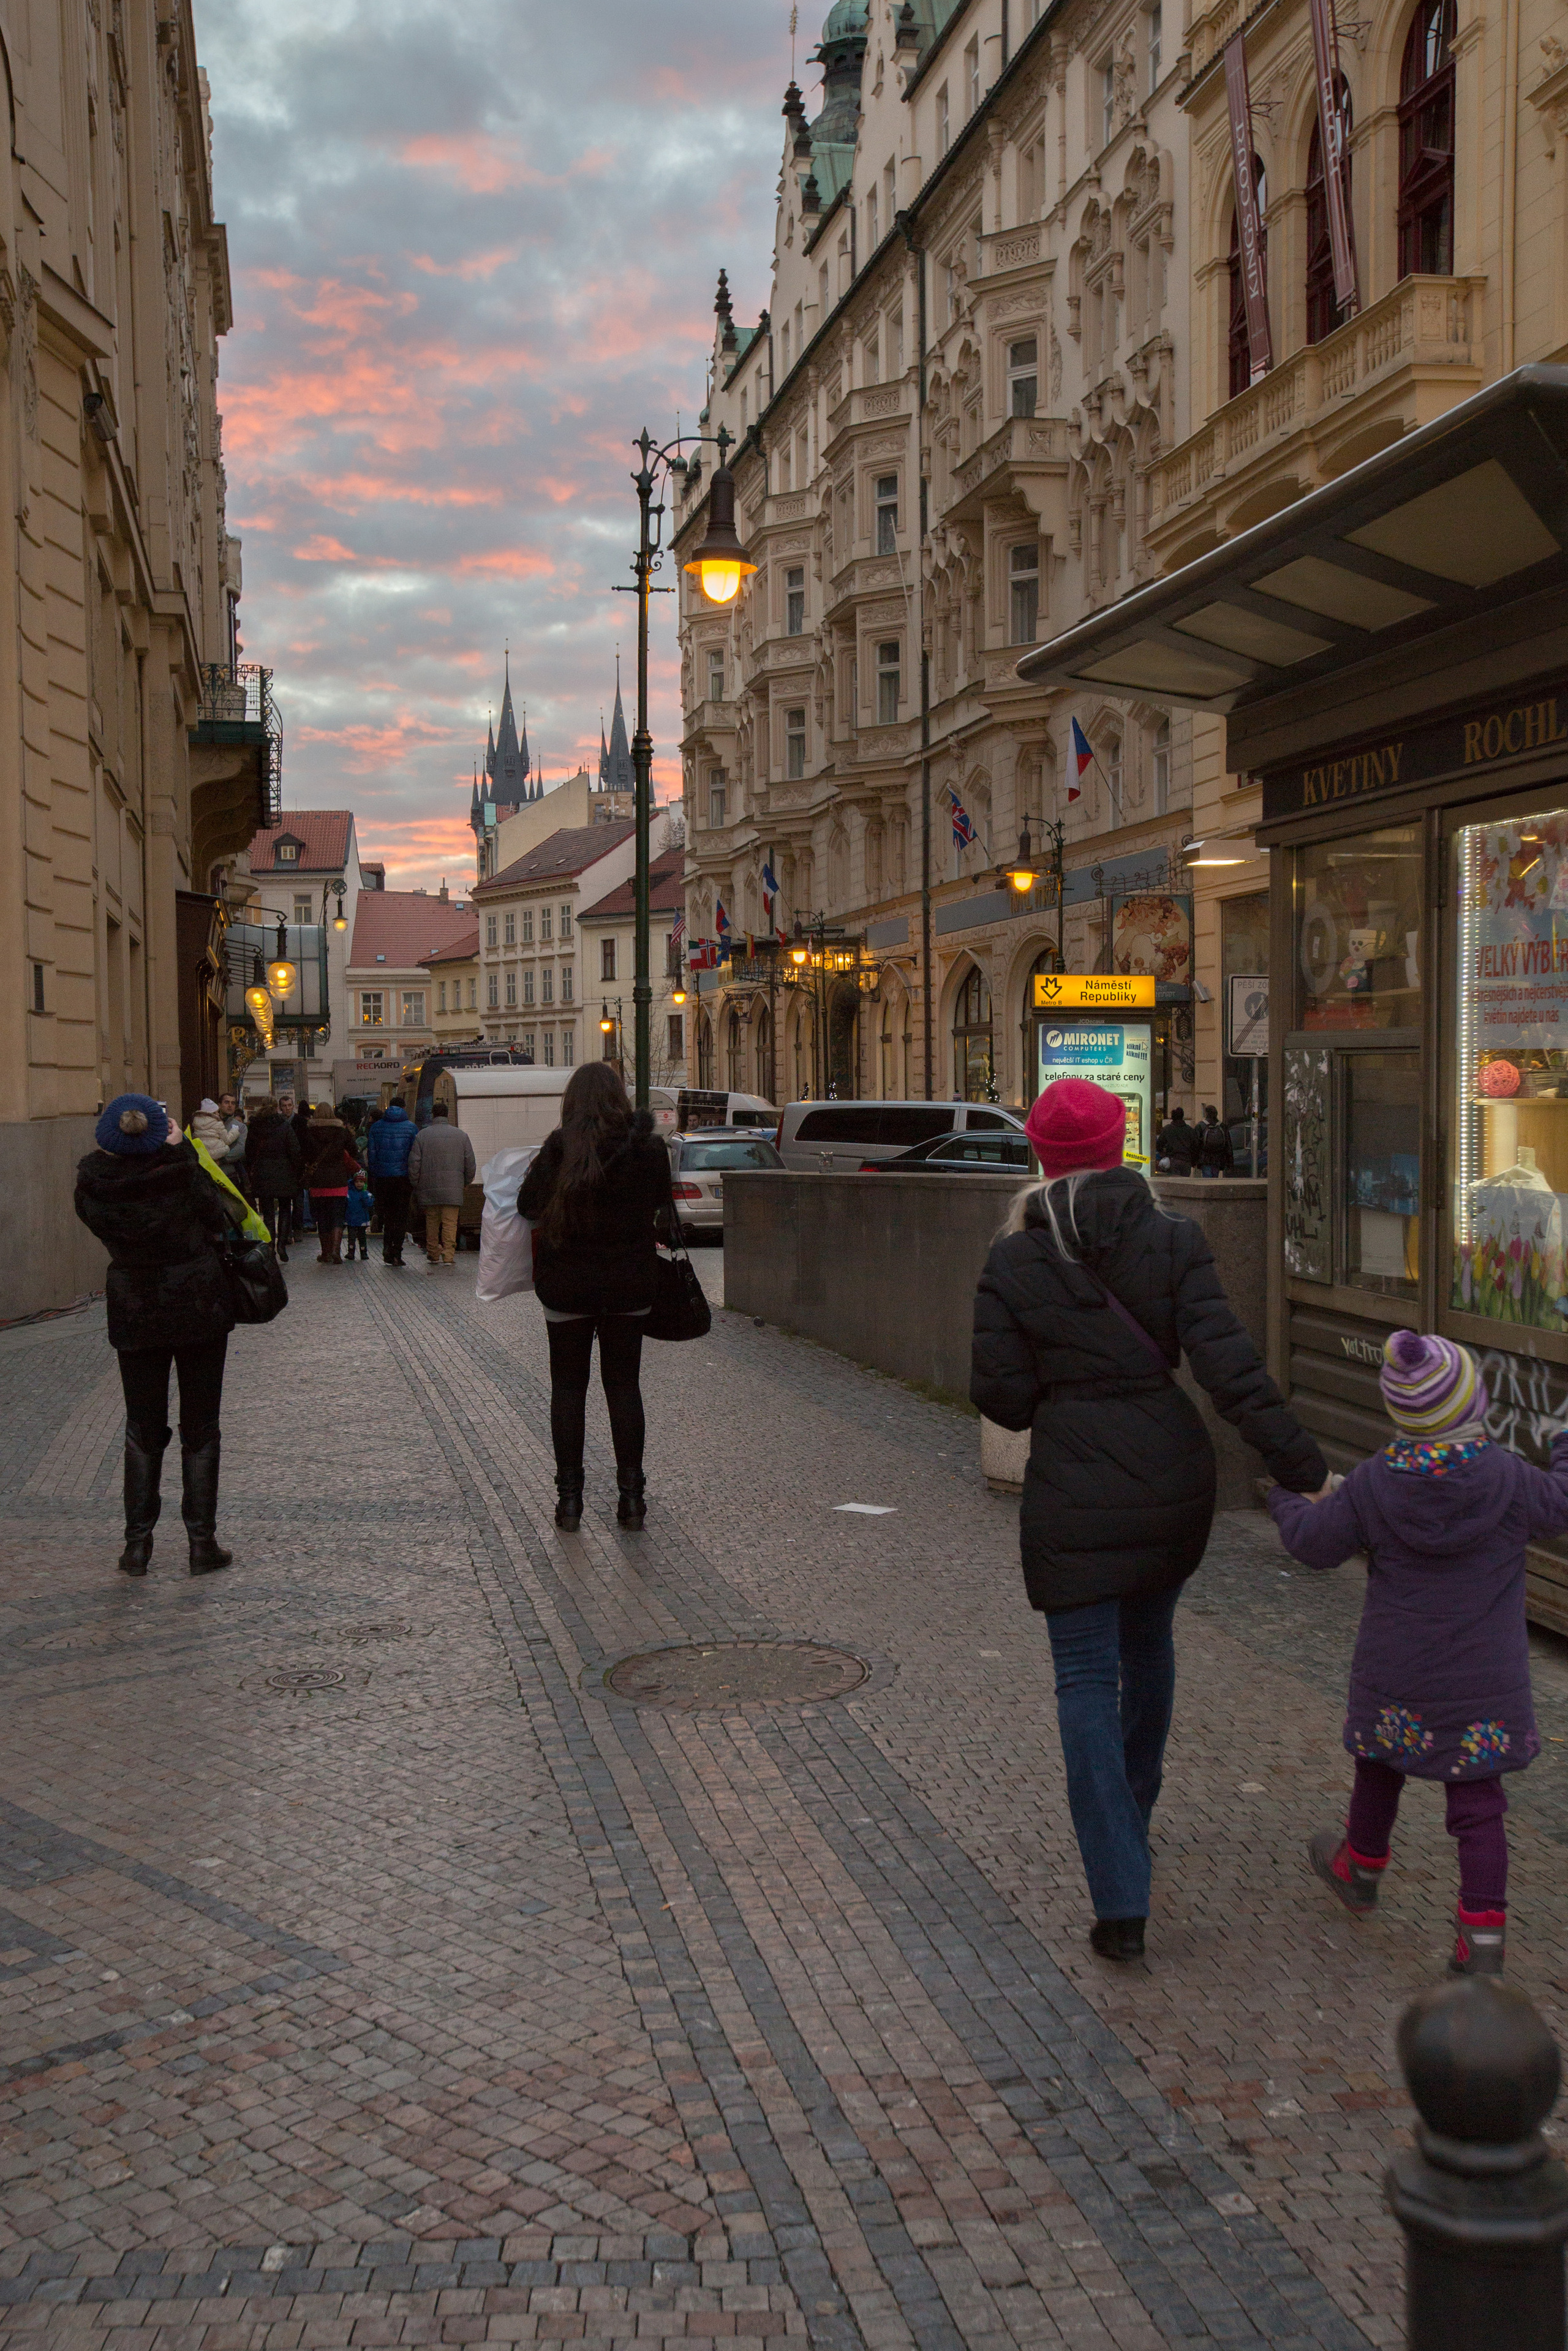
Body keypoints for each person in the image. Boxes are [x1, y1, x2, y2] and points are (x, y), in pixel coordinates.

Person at [970, 1076, 1327, 1963]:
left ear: (1039, 1156)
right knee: (1149, 1646)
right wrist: (1305, 1468)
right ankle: (1132, 1808)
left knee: (1085, 1678)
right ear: (1120, 1144)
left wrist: (1064, 1382)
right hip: (1171, 1478)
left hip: (1072, 1487)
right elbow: (1230, 1367)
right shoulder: (1173, 1239)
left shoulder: (1013, 1259)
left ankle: (1119, 1895)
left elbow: (1001, 1400)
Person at [1270, 1331, 1568, 1977]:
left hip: (1397, 1675)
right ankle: (1480, 1937)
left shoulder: (1374, 1482)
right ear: (1475, 1403)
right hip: (1482, 1683)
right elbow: (1563, 1502)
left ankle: (1360, 1868)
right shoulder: (1510, 1480)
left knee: (1380, 1765)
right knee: (1478, 1807)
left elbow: (1315, 1545)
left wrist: (1287, 1497)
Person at [74, 1094, 241, 1576]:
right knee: (201, 1428)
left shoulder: (95, 1186)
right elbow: (219, 1215)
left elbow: (99, 1219)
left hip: (136, 1308)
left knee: (143, 1429)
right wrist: (182, 1152)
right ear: (160, 1133)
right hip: (197, 1305)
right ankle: (201, 1544)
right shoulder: (184, 1174)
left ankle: (137, 1546)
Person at [518, 1062, 676, 1532]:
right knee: (624, 1387)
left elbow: (528, 1206)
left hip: (567, 1286)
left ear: (572, 1102)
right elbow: (661, 1204)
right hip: (629, 1284)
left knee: (568, 1389)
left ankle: (570, 1502)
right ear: (619, 1099)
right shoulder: (648, 1149)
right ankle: (632, 1500)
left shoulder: (560, 1146)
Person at [408, 1100, 475, 1267]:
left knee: (432, 1223)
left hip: (429, 1189)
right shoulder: (461, 1136)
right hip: (453, 1189)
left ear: (433, 1116)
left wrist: (416, 1184)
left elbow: (414, 1163)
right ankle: (448, 1256)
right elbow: (470, 1163)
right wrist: (466, 1182)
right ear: (447, 1115)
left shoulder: (422, 1136)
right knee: (450, 1224)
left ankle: (433, 1253)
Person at [244, 1096, 303, 1259]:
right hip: (284, 1173)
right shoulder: (284, 1125)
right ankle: (282, 1245)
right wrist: (297, 1172)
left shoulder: (255, 1126)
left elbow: (249, 1151)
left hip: (263, 1173)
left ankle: (270, 1246)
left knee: (268, 1213)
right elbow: (295, 1150)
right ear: (277, 1108)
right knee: (285, 1209)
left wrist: (252, 1170)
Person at [303, 1104, 360, 1264]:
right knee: (338, 1217)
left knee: (322, 1219)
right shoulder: (341, 1131)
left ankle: (325, 1253)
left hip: (318, 1182)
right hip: (338, 1181)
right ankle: (336, 1251)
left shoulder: (309, 1132)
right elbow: (354, 1150)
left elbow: (304, 1155)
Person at [366, 1096, 417, 1266]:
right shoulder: (411, 1128)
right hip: (403, 1179)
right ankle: (397, 1253)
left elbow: (372, 1155)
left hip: (383, 1179)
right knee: (401, 1216)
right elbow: (415, 1156)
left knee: (388, 1215)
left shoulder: (376, 1128)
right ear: (404, 1107)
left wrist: (375, 1174)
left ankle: (387, 1250)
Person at [1153, 1104, 1194, 1176]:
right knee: (1186, 1181)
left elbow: (1159, 1144)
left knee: (1174, 1180)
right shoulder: (1189, 1130)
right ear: (1182, 1116)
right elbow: (1195, 1146)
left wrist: (1163, 1155)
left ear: (1172, 1117)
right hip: (1186, 1161)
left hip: (1172, 1160)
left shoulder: (1167, 1129)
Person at [1197, 1106, 1234, 1180]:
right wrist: (1230, 1163)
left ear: (1206, 1113)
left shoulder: (1201, 1126)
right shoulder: (1222, 1126)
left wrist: (1195, 1161)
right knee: (1215, 1178)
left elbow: (1196, 1144)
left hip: (1205, 1159)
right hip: (1218, 1158)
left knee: (1207, 1179)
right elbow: (1228, 1146)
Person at [344, 1169, 373, 1261]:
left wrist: (364, 1194)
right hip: (351, 1219)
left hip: (362, 1220)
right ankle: (351, 1252)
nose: (359, 1184)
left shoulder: (367, 1194)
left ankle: (363, 1252)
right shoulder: (349, 1193)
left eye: (361, 1182)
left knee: (362, 1237)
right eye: (357, 1182)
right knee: (351, 1236)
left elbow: (369, 1204)